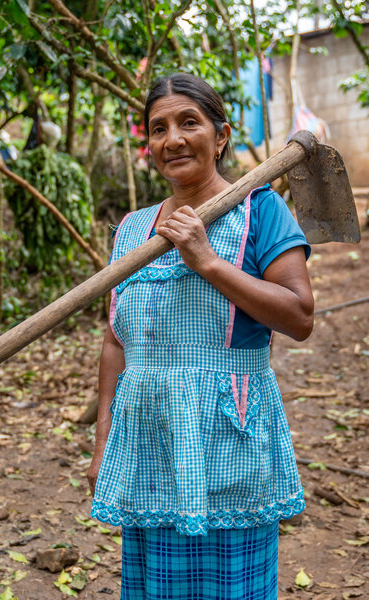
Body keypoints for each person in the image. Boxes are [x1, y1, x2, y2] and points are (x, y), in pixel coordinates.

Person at [87, 73, 314, 600]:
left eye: (189, 122)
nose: (173, 139)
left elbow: (300, 316)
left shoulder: (260, 211)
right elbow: (116, 342)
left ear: (221, 134)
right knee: (157, 586)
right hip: (149, 437)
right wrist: (102, 442)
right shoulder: (132, 230)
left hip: (227, 437)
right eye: (159, 128)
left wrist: (206, 260)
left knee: (231, 585)